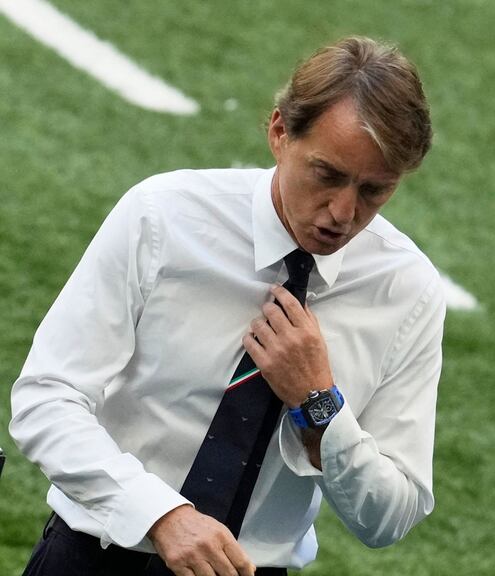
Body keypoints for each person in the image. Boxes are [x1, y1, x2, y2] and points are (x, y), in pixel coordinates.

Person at [9, 36, 444, 576]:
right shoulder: (161, 217)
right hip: (92, 559)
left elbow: (390, 517)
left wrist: (318, 405)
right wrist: (160, 515)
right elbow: (46, 398)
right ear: (279, 132)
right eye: (327, 175)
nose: (343, 212)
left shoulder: (408, 292)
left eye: (374, 191)